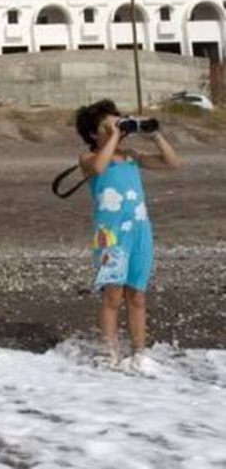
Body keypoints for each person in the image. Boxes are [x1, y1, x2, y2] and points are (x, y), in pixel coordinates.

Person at [75, 99, 181, 367]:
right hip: (110, 235)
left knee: (137, 295)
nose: (116, 128)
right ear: (92, 133)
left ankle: (139, 353)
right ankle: (109, 351)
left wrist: (154, 134)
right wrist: (112, 134)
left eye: (117, 122)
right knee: (112, 295)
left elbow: (172, 162)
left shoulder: (131, 156)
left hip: (139, 232)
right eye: (106, 125)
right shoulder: (88, 157)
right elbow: (98, 168)